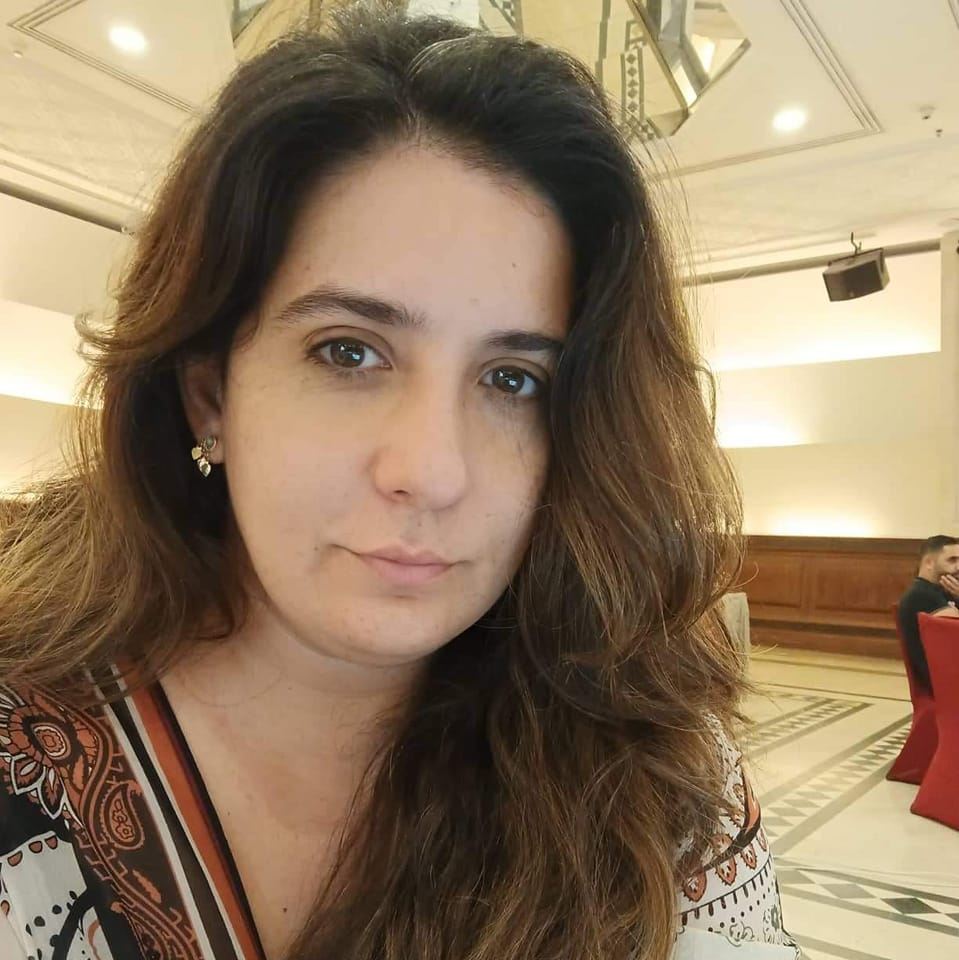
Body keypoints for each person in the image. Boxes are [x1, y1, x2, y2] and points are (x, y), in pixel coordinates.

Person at [0, 3, 798, 959]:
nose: (431, 472)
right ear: (210, 393)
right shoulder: (24, 736)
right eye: (348, 351)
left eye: (513, 380)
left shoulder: (661, 781)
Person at [897, 535, 959, 692]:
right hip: (944, 682)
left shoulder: (944, 591)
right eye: (952, 560)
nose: (958, 567)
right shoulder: (922, 595)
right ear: (929, 563)